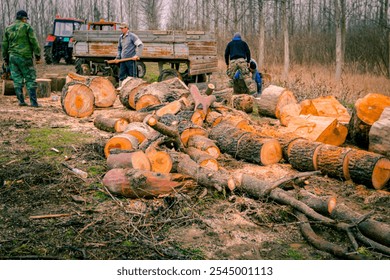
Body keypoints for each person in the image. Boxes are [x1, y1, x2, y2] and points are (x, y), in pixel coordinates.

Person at [2, 10, 42, 107]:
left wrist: (6, 58)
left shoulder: (8, 28)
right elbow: (34, 41)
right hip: (25, 56)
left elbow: (4, 45)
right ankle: (33, 102)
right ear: (24, 18)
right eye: (26, 19)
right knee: (30, 78)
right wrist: (38, 55)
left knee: (17, 79)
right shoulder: (27, 27)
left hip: (12, 57)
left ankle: (21, 101)